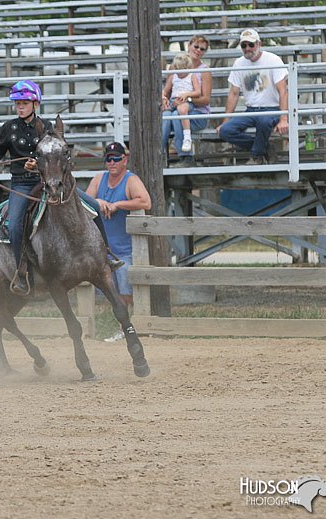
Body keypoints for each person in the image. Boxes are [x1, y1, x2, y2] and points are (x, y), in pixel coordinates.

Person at [0, 80, 122, 296]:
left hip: (45, 182)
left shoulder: (47, 128)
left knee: (93, 205)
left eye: (24, 103)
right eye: (17, 103)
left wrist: (38, 165)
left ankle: (106, 256)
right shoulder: (9, 128)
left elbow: (56, 154)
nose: (20, 107)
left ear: (35, 103)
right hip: (22, 185)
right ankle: (20, 271)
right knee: (16, 224)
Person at [86, 142, 152, 340]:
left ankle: (126, 328)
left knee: (125, 289)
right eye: (108, 159)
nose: (112, 162)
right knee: (110, 290)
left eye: (116, 158)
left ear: (125, 159)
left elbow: (145, 201)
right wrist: (98, 202)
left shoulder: (131, 180)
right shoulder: (99, 179)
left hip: (125, 248)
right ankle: (120, 327)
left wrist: (118, 205)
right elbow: (84, 202)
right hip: (103, 249)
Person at [217, 29, 289, 165]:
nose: (247, 48)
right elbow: (233, 93)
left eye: (251, 45)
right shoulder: (239, 63)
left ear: (259, 44)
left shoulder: (273, 59)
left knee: (264, 121)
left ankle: (256, 156)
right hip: (251, 110)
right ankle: (264, 148)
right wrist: (225, 120)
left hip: (272, 109)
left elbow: (283, 91)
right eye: (244, 45)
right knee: (225, 131)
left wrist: (283, 118)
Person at [161, 35, 212, 167]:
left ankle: (186, 157)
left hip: (197, 113)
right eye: (196, 46)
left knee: (177, 115)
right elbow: (166, 90)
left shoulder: (204, 71)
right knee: (167, 115)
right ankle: (158, 153)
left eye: (202, 49)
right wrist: (164, 98)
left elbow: (205, 99)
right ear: (189, 46)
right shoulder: (175, 67)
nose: (198, 50)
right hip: (176, 107)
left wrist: (187, 99)